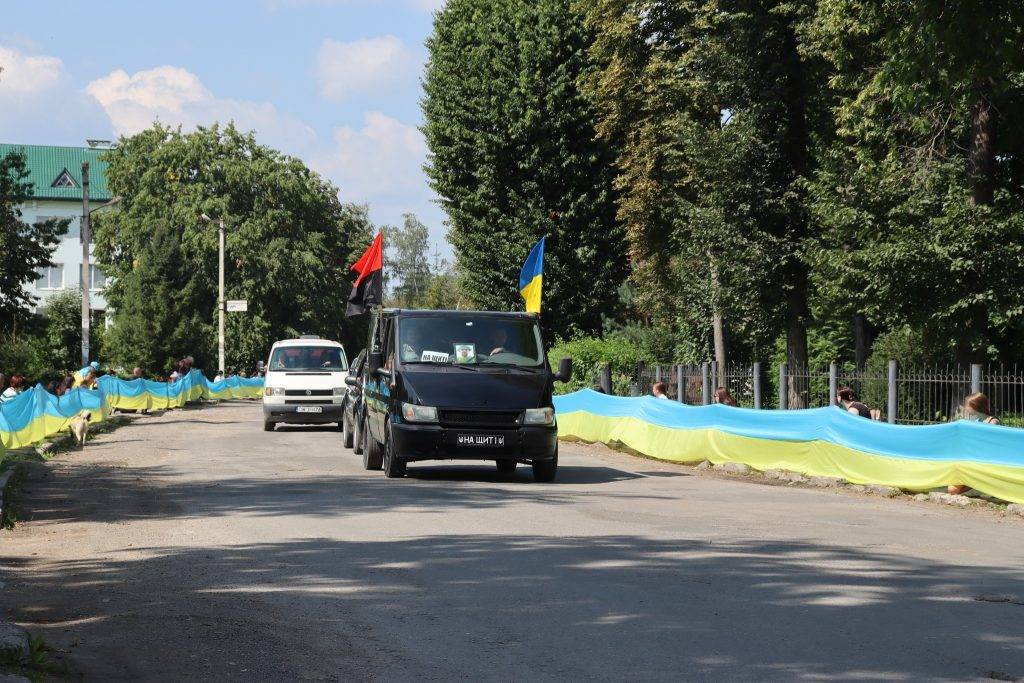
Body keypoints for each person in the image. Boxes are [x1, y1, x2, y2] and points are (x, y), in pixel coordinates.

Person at [948, 393, 1000, 495]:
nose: (966, 408)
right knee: (952, 489)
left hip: (985, 462)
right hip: (973, 460)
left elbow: (993, 445)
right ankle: (976, 485)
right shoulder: (976, 422)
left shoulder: (993, 422)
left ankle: (979, 484)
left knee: (953, 490)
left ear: (976, 406)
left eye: (968, 406)